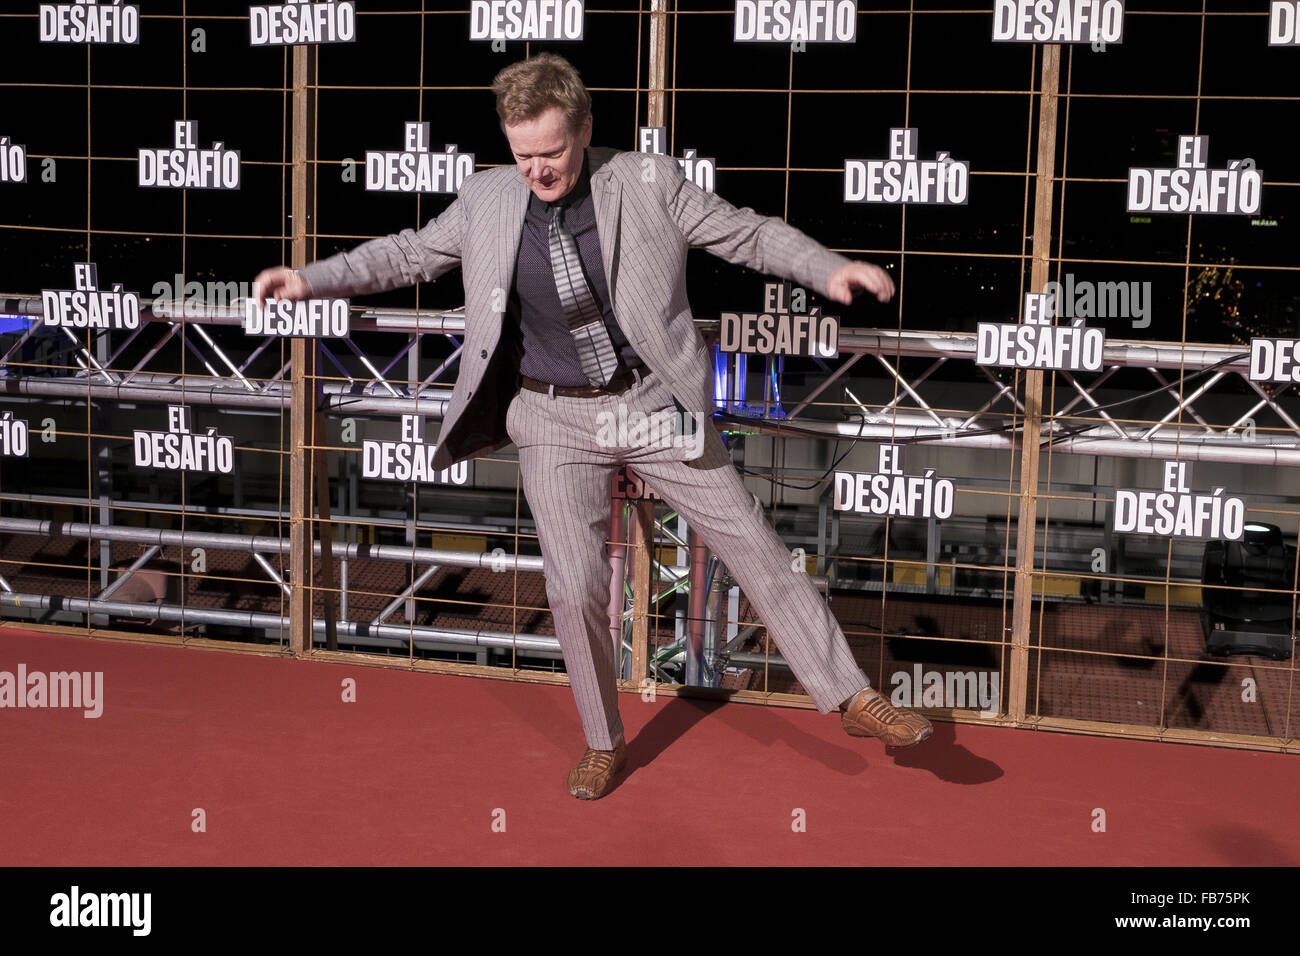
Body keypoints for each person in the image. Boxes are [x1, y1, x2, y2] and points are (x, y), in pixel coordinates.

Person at [254, 53, 932, 801]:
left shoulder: (647, 181)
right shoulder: (485, 197)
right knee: (574, 585)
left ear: (585, 130)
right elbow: (408, 254)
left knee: (754, 543)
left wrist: (826, 270)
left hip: (650, 404)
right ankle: (603, 742)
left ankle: (856, 700)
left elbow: (749, 235)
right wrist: (310, 279)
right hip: (550, 414)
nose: (537, 171)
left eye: (551, 153)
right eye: (522, 155)